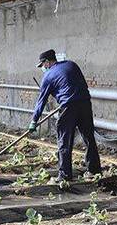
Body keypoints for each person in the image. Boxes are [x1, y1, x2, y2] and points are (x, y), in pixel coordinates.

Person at [29, 49, 101, 182]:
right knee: (89, 137)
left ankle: (64, 175)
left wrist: (34, 120)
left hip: (68, 107)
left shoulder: (48, 76)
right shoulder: (72, 64)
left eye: (42, 65)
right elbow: (82, 85)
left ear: (47, 62)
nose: (43, 68)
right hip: (85, 103)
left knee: (64, 141)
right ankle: (94, 171)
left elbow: (41, 101)